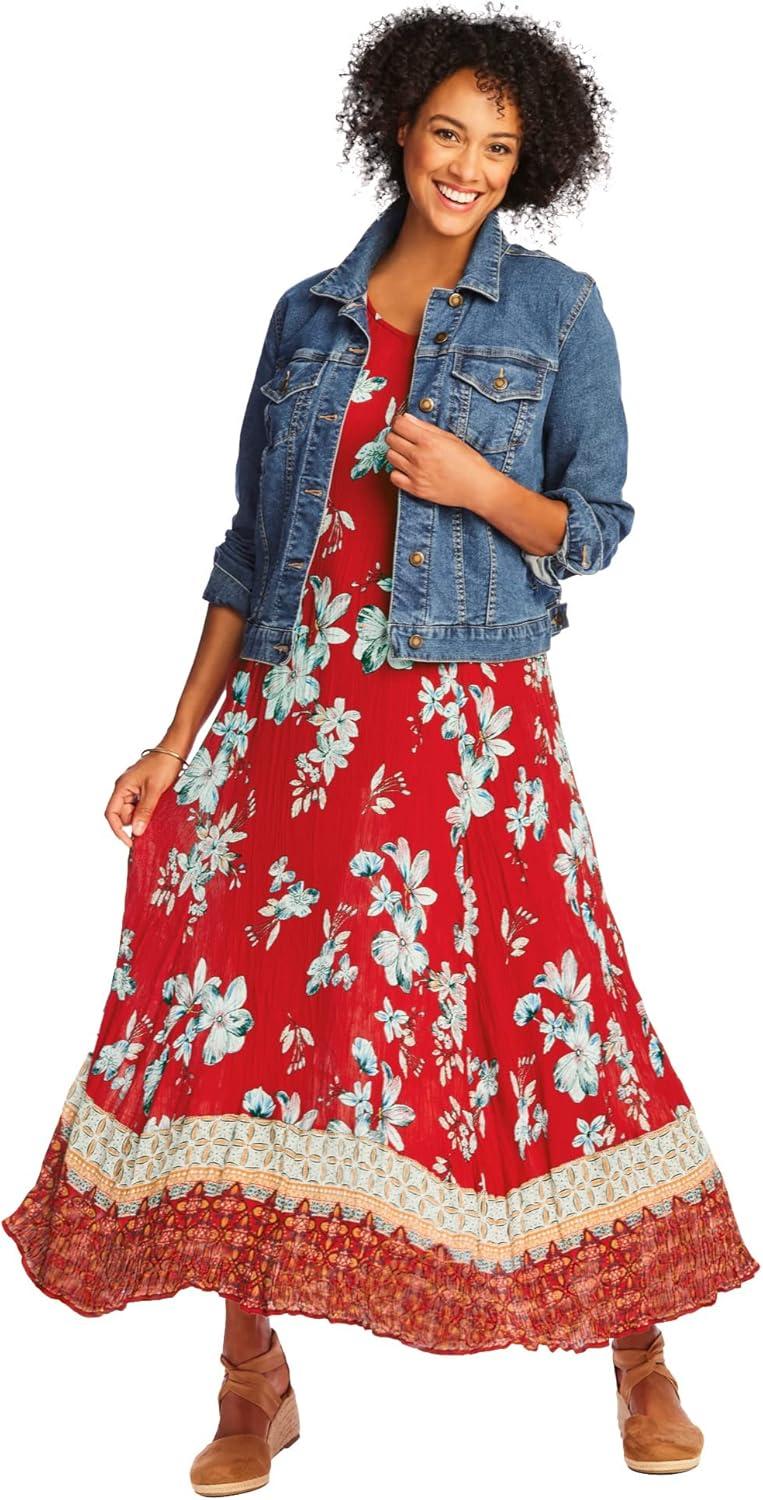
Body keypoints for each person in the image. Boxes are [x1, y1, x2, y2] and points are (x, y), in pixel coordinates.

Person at [4, 7, 759, 1493]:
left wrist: (478, 483)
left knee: (549, 1010)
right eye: (448, 134)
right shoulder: (307, 315)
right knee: (253, 1022)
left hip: (469, 727)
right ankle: (251, 1374)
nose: (468, 167)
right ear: (399, 128)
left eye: (500, 148)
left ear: (527, 163)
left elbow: (596, 524)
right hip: (294, 728)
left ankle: (639, 1347)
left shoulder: (560, 310)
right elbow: (247, 551)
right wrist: (175, 737)